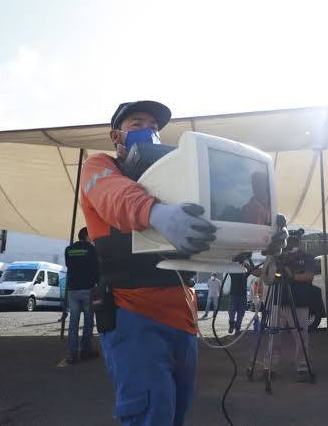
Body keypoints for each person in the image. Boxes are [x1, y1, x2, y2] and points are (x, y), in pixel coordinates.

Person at [80, 100, 217, 425]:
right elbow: (114, 195)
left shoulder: (172, 179)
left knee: (176, 413)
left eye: (155, 127)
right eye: (138, 124)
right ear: (117, 135)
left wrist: (257, 229)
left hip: (183, 319)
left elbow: (207, 223)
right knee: (150, 414)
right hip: (134, 314)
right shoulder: (100, 166)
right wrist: (157, 213)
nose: (150, 132)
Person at [255, 234, 315, 382]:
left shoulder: (307, 257)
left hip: (299, 303)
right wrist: (249, 267)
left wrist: (291, 275)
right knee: (273, 336)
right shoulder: (278, 258)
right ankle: (270, 368)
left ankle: (302, 367)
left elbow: (309, 276)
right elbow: (267, 276)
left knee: (301, 337)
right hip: (278, 301)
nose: (289, 247)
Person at [64, 226, 100, 364]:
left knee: (73, 323)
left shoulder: (69, 250)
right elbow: (96, 268)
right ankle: (85, 351)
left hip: (72, 290)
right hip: (87, 289)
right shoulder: (91, 249)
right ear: (87, 236)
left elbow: (69, 266)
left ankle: (73, 354)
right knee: (89, 322)